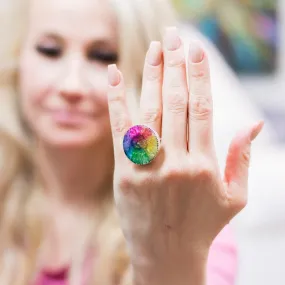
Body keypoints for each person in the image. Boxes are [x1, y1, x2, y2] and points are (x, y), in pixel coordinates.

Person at [0, 0, 264, 284]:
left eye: (102, 56)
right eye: (50, 51)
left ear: (141, 75)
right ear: (17, 58)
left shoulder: (183, 223)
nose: (71, 86)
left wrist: (169, 258)